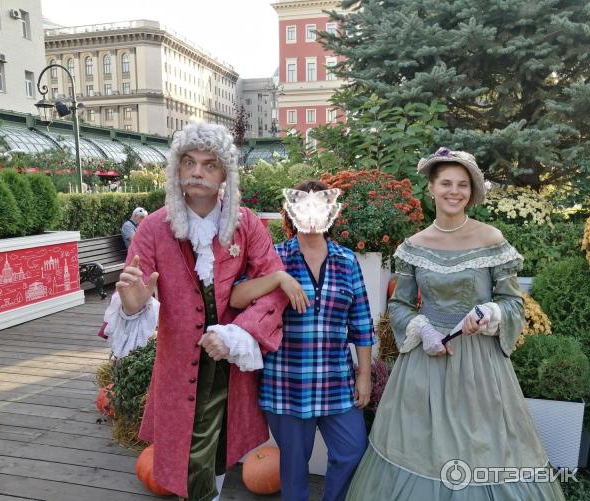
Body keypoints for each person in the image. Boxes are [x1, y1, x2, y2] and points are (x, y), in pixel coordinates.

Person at [346, 148, 565, 500]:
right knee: (421, 445)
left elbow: (513, 303)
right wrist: (423, 330)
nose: (454, 191)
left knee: (483, 445)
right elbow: (399, 305)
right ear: (431, 188)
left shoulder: (491, 240)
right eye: (446, 183)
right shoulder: (413, 246)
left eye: (462, 184)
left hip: (480, 365)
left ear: (472, 191)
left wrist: (489, 313)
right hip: (426, 363)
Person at [104, 123, 289, 500]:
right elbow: (134, 295)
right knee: (191, 453)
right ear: (177, 169)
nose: (197, 172)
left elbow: (272, 287)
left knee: (217, 451)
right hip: (179, 367)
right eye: (188, 162)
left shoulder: (246, 225)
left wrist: (237, 334)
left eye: (209, 164)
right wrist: (133, 301)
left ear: (224, 174)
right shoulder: (154, 228)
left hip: (230, 363)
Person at [230, 180, 376, 501]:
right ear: (291, 213)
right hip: (286, 383)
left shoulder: (347, 260)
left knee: (352, 451)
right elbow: (237, 297)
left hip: (336, 381)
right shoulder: (274, 258)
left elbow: (361, 323)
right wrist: (278, 278)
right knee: (294, 468)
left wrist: (364, 375)